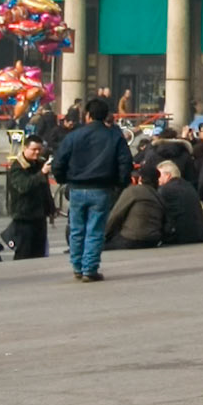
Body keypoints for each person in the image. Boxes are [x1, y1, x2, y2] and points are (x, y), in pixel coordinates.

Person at [52, 96, 133, 282]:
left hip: (77, 187)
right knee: (95, 230)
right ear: (106, 116)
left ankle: (77, 266)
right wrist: (120, 183)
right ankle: (90, 268)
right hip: (101, 188)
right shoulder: (114, 136)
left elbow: (59, 161)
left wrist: (63, 179)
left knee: (76, 229)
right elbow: (125, 161)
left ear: (87, 115)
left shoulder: (73, 136)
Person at [5, 136, 56, 259]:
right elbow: (24, 186)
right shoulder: (17, 167)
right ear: (25, 148)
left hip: (40, 215)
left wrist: (51, 208)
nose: (37, 152)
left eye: (39, 149)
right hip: (24, 217)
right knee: (24, 252)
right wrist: (41, 173)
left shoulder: (39, 164)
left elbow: (45, 189)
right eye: (34, 149)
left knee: (39, 253)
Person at [105, 168, 166, 249]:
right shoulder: (159, 196)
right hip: (153, 240)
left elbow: (116, 215)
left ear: (140, 178)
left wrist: (103, 235)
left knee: (96, 247)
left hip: (131, 238)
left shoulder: (133, 191)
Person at [157, 161, 203, 244]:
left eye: (159, 175)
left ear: (168, 175)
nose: (157, 179)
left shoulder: (165, 190)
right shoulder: (189, 187)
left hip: (181, 238)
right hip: (199, 234)